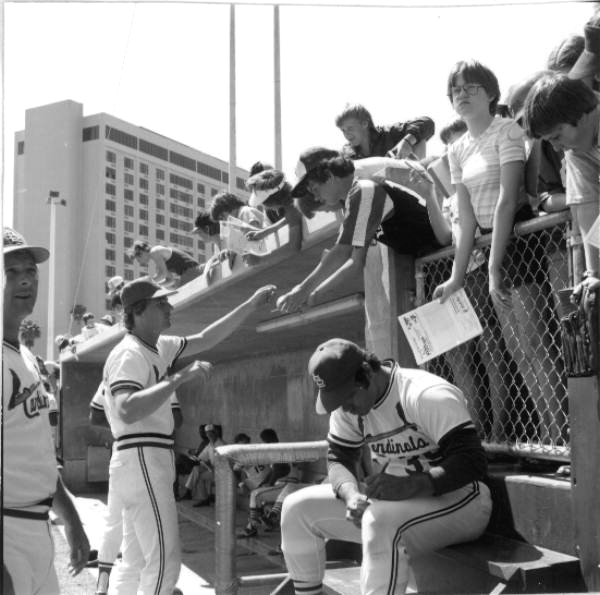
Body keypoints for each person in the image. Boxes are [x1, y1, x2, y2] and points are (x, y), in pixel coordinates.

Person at [100, 277, 275, 594]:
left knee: (136, 560)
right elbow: (126, 408)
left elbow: (207, 337)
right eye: (160, 303)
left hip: (141, 457)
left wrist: (249, 305)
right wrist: (181, 377)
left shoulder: (157, 346)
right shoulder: (129, 353)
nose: (169, 306)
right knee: (165, 563)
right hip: (141, 455)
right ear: (138, 312)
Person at [280, 338, 491, 595]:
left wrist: (412, 485)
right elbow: (339, 458)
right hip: (394, 502)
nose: (345, 407)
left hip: (460, 500)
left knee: (379, 522)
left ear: (367, 372)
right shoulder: (348, 409)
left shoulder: (424, 393)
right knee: (296, 508)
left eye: (347, 397)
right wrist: (350, 495)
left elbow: (472, 461)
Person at [432, 60, 566, 444]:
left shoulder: (506, 130)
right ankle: (547, 436)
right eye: (456, 89)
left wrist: (493, 271)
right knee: (519, 353)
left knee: (537, 345)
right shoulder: (457, 149)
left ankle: (560, 437)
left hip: (518, 244)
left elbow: (509, 200)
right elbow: (466, 217)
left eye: (471, 87)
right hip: (489, 247)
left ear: (491, 93)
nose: (462, 94)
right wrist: (457, 277)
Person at [277, 146, 439, 354]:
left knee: (454, 350)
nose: (315, 198)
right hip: (426, 269)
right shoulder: (353, 198)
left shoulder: (363, 188)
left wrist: (301, 290)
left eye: (315, 189)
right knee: (439, 352)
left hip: (440, 260)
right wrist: (314, 296)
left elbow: (342, 251)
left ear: (328, 175)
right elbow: (355, 262)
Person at [3, 227, 90, 594]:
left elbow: (36, 450)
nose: (25, 280)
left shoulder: (24, 356)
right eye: (11, 272)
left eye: (31, 271)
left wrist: (71, 520)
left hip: (37, 528)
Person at [89, 384, 183, 595]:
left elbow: (94, 415)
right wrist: (141, 421)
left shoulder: (109, 377)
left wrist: (121, 424)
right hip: (147, 458)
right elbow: (176, 420)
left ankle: (102, 584)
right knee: (163, 559)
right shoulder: (156, 374)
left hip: (122, 456)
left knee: (128, 547)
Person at [523, 73, 599, 290]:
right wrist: (595, 274)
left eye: (556, 137)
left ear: (581, 115)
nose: (556, 148)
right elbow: (588, 205)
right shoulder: (578, 151)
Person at [243, 168, 304, 265]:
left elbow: (294, 247)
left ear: (272, 201)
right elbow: (290, 219)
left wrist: (259, 259)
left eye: (263, 203)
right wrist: (266, 231)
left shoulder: (292, 206)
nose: (264, 206)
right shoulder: (293, 200)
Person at [238, 428, 291, 537]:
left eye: (266, 440)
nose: (265, 443)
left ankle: (252, 526)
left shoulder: (277, 449)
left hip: (286, 484)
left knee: (255, 495)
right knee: (257, 493)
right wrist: (266, 483)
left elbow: (281, 469)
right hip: (282, 483)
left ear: (272, 439)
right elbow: (272, 471)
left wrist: (269, 483)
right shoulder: (276, 448)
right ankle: (257, 524)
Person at [335, 103, 435, 160]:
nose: (346, 134)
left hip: (404, 186)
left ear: (364, 124)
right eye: (343, 130)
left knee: (418, 138)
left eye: (350, 128)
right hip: (373, 194)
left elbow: (427, 122)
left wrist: (407, 142)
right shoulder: (346, 153)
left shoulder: (388, 133)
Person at [183, 423, 226, 507]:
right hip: (212, 469)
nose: (209, 436)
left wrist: (210, 465)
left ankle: (203, 498)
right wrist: (193, 455)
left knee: (199, 476)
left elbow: (224, 462)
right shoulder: (210, 445)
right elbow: (201, 457)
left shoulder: (221, 444)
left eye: (211, 434)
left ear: (215, 433)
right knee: (196, 469)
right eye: (208, 434)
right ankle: (189, 491)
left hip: (220, 471)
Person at [131, 239, 202, 288]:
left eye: (138, 260)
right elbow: (171, 280)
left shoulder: (154, 251)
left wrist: (147, 283)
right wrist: (155, 286)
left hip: (192, 271)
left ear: (141, 253)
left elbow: (162, 274)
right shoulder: (159, 262)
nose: (140, 263)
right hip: (190, 273)